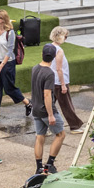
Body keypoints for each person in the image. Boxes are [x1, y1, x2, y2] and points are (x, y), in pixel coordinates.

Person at [28, 44, 65, 175]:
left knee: (40, 137)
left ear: (42, 54)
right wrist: (51, 115)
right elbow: (47, 94)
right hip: (45, 110)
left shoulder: (35, 68)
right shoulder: (49, 73)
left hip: (36, 109)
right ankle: (49, 164)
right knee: (61, 134)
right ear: (54, 57)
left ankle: (39, 167)